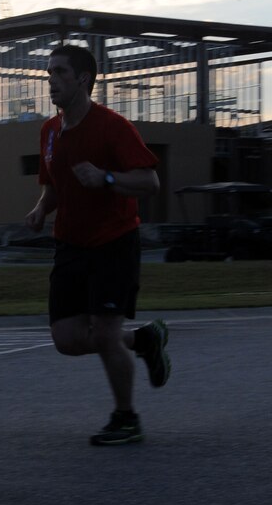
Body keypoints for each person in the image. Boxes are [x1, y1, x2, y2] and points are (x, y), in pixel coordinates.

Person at [25, 44, 170, 446]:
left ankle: (126, 418)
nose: (51, 80)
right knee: (67, 340)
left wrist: (106, 178)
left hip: (113, 242)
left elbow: (150, 183)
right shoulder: (49, 132)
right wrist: (40, 210)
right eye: (48, 72)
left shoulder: (113, 127)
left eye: (59, 72)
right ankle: (144, 340)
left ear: (83, 79)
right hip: (70, 244)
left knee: (105, 333)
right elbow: (53, 185)